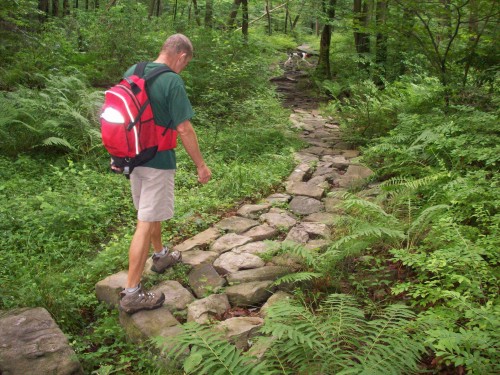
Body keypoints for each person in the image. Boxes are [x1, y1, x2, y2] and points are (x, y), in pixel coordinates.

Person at [119, 34, 212, 314]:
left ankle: (160, 256)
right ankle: (132, 292)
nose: (183, 68)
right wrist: (200, 165)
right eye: (186, 64)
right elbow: (184, 128)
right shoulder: (172, 80)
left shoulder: (133, 71)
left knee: (151, 211)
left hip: (132, 157)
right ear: (181, 56)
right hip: (158, 160)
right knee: (145, 222)